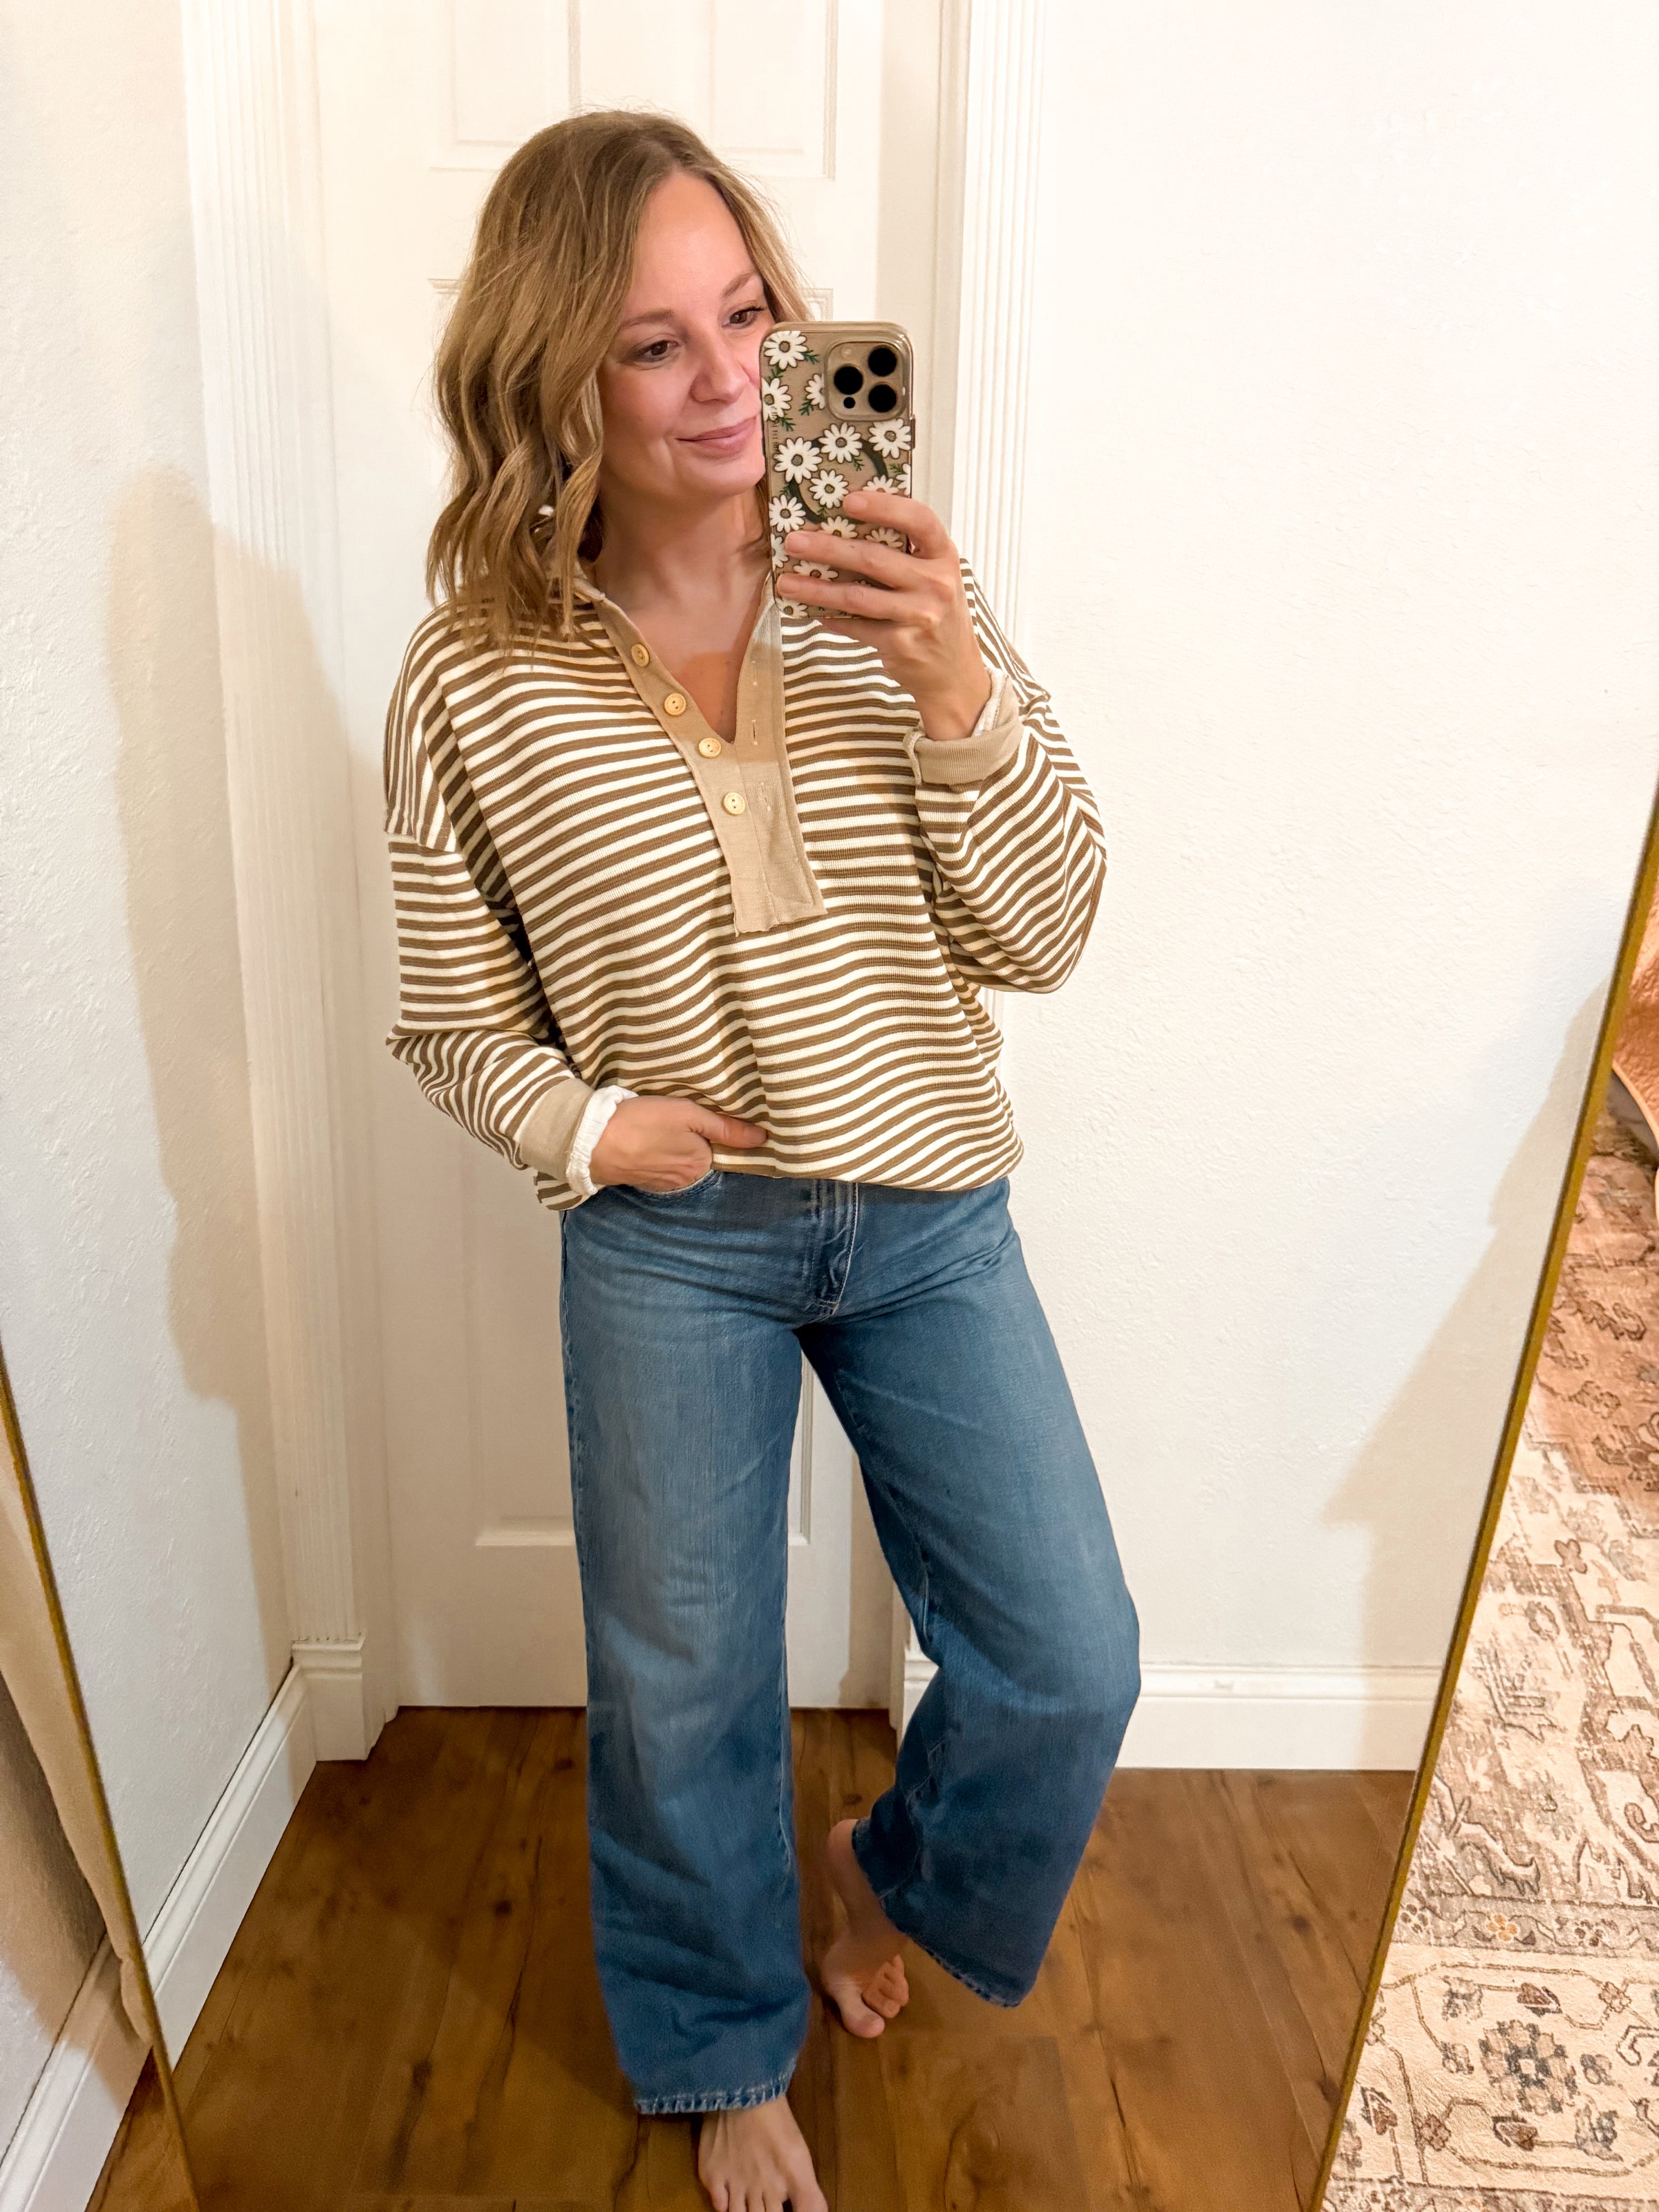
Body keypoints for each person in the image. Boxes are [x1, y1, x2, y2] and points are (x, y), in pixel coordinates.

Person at [382, 107, 1141, 2212]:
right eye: (654, 344)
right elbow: (450, 1014)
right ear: (555, 374)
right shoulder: (474, 677)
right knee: (682, 1686)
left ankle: (882, 1871)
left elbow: (1049, 930)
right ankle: (724, 2051)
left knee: (1068, 1654)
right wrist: (589, 1127)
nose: (727, 382)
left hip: (927, 1211)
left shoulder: (893, 593)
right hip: (675, 1239)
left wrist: (956, 683)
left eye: (750, 315)